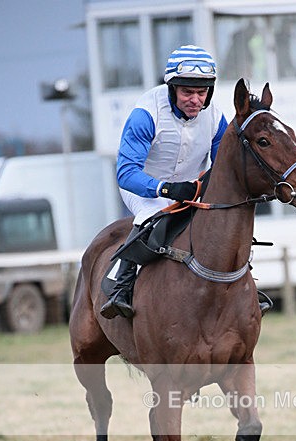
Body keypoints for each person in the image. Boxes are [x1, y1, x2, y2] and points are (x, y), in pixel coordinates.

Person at [101, 44, 228, 319]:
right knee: (154, 215)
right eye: (187, 92)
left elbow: (223, 167)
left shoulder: (217, 118)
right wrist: (166, 189)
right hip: (144, 188)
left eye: (201, 93)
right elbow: (126, 173)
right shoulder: (146, 113)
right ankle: (120, 285)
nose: (195, 100)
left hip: (192, 189)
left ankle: (245, 288)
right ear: (172, 88)